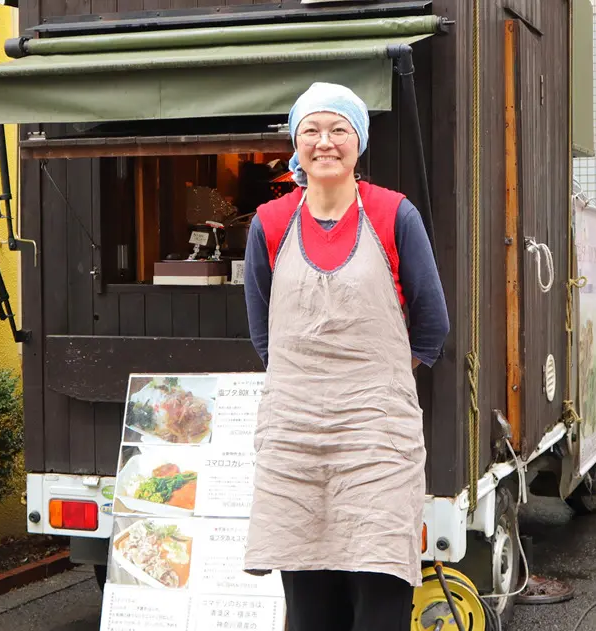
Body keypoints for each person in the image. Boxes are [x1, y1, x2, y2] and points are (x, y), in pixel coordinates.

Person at [241, 82, 450, 631]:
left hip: (377, 440)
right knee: (309, 613)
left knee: (379, 604)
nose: (324, 142)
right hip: (295, 441)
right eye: (311, 130)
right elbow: (266, 337)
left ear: (359, 142)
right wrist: (309, 385)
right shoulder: (268, 223)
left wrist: (371, 385)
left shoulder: (394, 215)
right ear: (295, 142)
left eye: (339, 130)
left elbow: (431, 327)